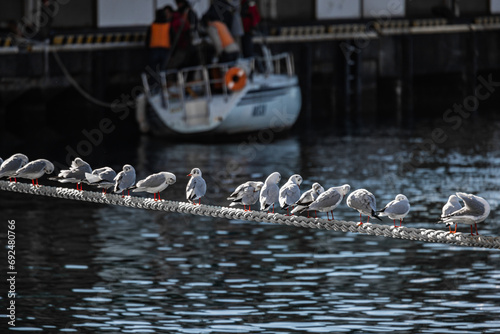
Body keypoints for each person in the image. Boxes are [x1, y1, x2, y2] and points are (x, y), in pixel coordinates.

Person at [170, 0, 199, 69]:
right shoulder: (177, 14)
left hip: (186, 41)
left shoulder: (189, 12)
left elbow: (194, 26)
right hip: (179, 42)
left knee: (189, 61)